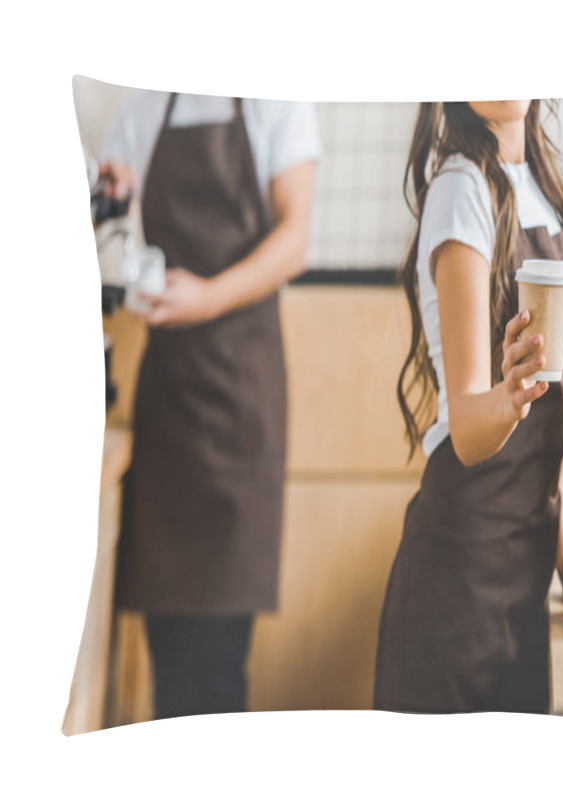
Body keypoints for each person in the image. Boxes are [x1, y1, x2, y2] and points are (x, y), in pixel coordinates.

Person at [373, 101, 563, 713]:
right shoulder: (461, 191)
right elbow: (472, 430)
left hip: (523, 581)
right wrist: (511, 396)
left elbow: (549, 433)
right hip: (459, 587)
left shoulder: (539, 185)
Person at [99, 90, 320, 719]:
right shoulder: (144, 98)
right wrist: (113, 187)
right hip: (169, 401)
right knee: (169, 657)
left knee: (221, 667)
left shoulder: (278, 98)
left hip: (242, 403)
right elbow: (114, 194)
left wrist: (208, 297)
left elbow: (295, 240)